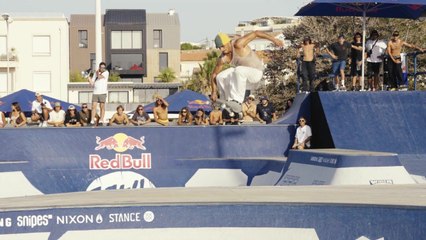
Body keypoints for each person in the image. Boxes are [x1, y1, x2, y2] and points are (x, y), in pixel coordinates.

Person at [210, 31, 283, 113]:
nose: (221, 50)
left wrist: (274, 40)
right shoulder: (223, 58)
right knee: (220, 76)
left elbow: (256, 33)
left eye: (222, 46)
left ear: (228, 42)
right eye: (219, 48)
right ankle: (226, 102)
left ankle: (237, 101)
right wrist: (213, 92)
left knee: (238, 70)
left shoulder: (238, 44)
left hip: (256, 74)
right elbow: (214, 74)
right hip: (244, 79)